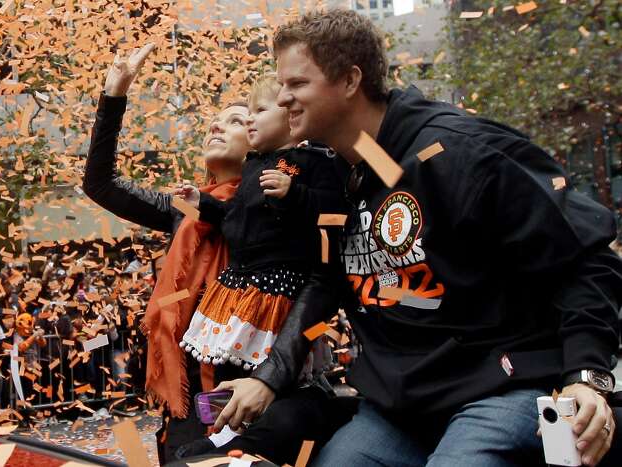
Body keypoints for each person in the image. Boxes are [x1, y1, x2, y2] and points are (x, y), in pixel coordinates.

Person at [220, 9, 622, 467]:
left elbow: (586, 257)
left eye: (297, 84)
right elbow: (329, 279)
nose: (283, 98)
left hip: (499, 388)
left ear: (350, 80)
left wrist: (587, 378)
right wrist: (270, 377)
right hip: (398, 410)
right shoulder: (354, 165)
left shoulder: (460, 151)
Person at [82, 43, 251, 459]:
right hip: (187, 403)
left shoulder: (279, 208)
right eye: (213, 122)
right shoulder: (186, 208)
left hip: (254, 396)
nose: (215, 127)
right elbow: (100, 184)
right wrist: (114, 93)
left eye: (234, 121)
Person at [171, 74, 348, 463]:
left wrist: (295, 193)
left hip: (277, 290)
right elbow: (233, 215)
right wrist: (200, 202)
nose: (251, 120)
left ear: (290, 116)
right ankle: (225, 432)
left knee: (265, 373)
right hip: (236, 288)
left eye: (258, 111)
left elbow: (333, 216)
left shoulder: (316, 161)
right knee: (225, 365)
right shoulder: (252, 166)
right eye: (245, 114)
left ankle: (254, 436)